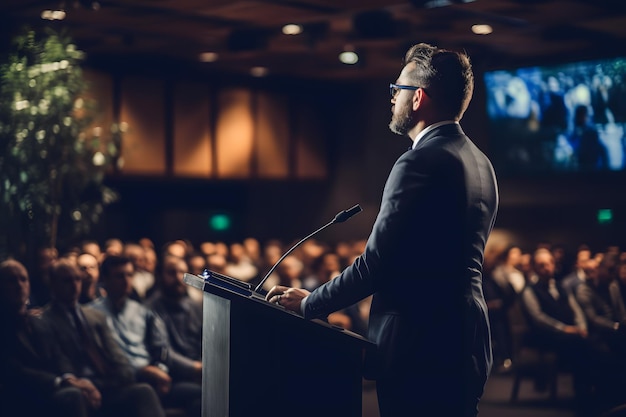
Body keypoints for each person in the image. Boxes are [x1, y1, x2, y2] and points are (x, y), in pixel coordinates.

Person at [266, 43, 499, 417]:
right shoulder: (481, 163)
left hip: (420, 346)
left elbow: (376, 265)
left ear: (419, 98)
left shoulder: (418, 162)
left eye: (397, 90)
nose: (392, 99)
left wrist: (310, 304)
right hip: (467, 338)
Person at [42, 259, 166, 417]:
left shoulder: (94, 316)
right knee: (76, 396)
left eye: (77, 279)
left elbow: (116, 355)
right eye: (67, 280)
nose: (74, 285)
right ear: (53, 284)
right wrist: (81, 384)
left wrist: (123, 376)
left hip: (106, 383)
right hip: (79, 384)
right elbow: (59, 360)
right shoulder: (45, 319)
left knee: (143, 390)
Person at [89, 255, 202, 417]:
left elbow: (160, 349)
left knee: (203, 397)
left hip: (153, 378)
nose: (126, 281)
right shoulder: (93, 313)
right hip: (118, 381)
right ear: (105, 279)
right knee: (144, 391)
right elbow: (102, 357)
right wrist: (141, 370)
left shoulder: (142, 312)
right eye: (119, 276)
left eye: (129, 275)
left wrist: (160, 369)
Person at [0, 259, 90, 417]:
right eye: (11, 280)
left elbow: (58, 355)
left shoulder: (39, 321)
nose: (19, 285)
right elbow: (13, 370)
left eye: (23, 279)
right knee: (73, 396)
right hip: (22, 397)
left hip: (53, 389)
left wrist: (71, 377)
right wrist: (59, 381)